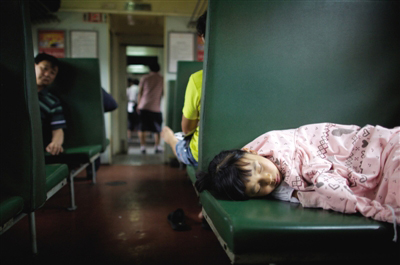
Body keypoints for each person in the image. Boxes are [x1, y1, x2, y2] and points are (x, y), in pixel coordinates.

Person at [195, 123, 399, 225]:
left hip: (376, 146)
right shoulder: (281, 191)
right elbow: (313, 195)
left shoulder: (278, 143)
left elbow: (312, 156)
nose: (268, 179)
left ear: (252, 151)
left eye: (259, 169)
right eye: (258, 188)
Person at [162, 11, 207, 166]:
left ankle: (170, 139)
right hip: (250, 151)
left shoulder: (198, 80)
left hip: (202, 154)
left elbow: (187, 129)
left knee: (179, 141)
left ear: (203, 37)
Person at [35, 53, 66, 156]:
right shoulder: (12, 89)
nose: (47, 74)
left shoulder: (52, 102)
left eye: (52, 73)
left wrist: (55, 143)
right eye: (44, 68)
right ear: (33, 66)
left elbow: (58, 129)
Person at [137, 63, 164, 154]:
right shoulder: (161, 79)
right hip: (156, 107)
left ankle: (143, 147)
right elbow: (163, 93)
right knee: (157, 129)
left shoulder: (145, 78)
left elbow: (140, 92)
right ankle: (157, 146)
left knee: (142, 128)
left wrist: (138, 104)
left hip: (144, 105)